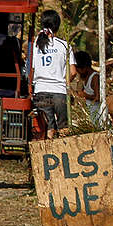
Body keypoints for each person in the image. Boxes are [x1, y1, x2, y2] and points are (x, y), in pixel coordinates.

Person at [28, 10, 75, 139]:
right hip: (59, 93)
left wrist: (30, 87)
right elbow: (73, 71)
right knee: (63, 129)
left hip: (41, 92)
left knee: (48, 129)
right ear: (57, 26)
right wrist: (66, 82)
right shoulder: (64, 45)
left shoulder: (35, 46)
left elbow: (30, 70)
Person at [71, 50, 104, 125]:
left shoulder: (95, 77)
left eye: (78, 69)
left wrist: (86, 95)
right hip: (92, 114)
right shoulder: (85, 78)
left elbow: (98, 98)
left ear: (84, 67)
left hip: (99, 114)